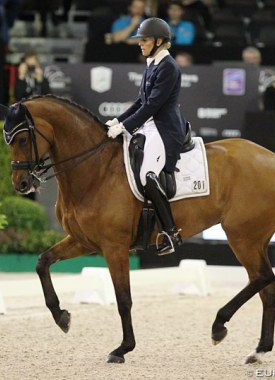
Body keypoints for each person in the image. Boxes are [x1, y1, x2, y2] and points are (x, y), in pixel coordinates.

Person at [105, 17, 186, 255]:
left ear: (160, 41)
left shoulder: (168, 66)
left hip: (165, 128)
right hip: (149, 125)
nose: (140, 44)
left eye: (145, 40)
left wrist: (126, 126)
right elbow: (140, 101)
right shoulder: (152, 63)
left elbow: (152, 106)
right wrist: (119, 120)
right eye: (140, 40)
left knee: (147, 173)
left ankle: (171, 233)